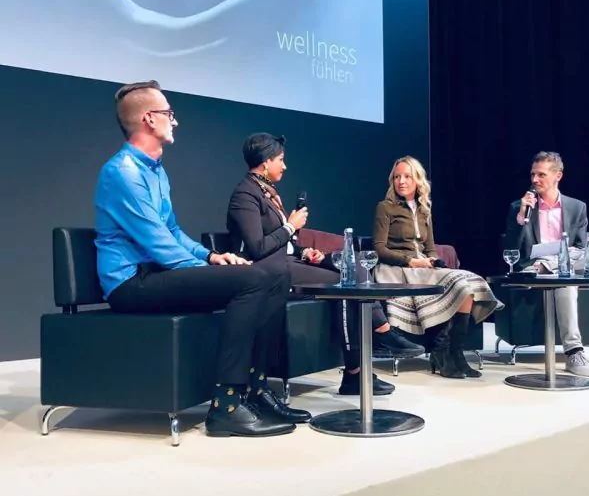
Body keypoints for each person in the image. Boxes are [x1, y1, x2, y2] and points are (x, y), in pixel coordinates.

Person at [95, 80, 308, 439]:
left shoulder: (155, 170)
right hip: (131, 283)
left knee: (275, 276)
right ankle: (226, 405)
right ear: (149, 119)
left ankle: (256, 389)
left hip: (156, 273)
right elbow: (159, 243)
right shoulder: (123, 173)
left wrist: (212, 255)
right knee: (254, 278)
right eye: (169, 114)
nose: (174, 121)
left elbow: (174, 232)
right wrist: (210, 269)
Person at [226, 133, 424, 396]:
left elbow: (283, 242)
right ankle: (363, 362)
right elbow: (257, 248)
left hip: (288, 260)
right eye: (281, 160)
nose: (285, 166)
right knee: (340, 283)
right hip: (268, 269)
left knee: (353, 266)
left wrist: (304, 250)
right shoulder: (245, 194)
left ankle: (380, 332)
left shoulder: (266, 192)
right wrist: (289, 226)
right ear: (265, 161)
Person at [372, 156, 503, 379]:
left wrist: (432, 260)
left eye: (407, 176)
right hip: (396, 268)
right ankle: (441, 352)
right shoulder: (385, 207)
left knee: (468, 283)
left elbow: (430, 248)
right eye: (397, 177)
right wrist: (411, 261)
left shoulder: (424, 209)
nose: (401, 181)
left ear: (418, 180)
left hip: (421, 266)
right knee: (459, 283)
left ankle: (454, 351)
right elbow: (379, 249)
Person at [503, 151, 589, 377]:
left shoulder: (576, 207)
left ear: (558, 176)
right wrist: (521, 218)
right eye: (533, 174)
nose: (535, 180)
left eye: (541, 175)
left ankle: (553, 266)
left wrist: (554, 263)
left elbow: (581, 247)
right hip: (534, 270)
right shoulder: (519, 206)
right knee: (566, 281)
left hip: (566, 265)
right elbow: (513, 251)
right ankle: (574, 351)